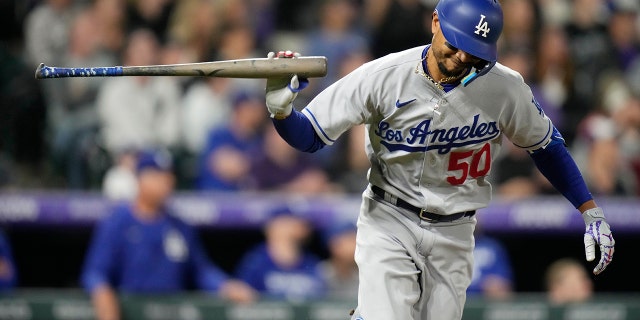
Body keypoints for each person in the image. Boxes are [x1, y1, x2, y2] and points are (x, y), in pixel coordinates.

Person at [262, 0, 615, 318]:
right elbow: (309, 137)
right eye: (456, 45)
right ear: (435, 22)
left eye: (475, 52)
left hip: (456, 229)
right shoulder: (383, 76)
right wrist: (282, 111)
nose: (462, 58)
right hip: (390, 217)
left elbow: (546, 146)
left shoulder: (505, 87)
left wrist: (589, 209)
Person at [81, 149, 256, 320]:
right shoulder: (118, 221)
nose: (166, 181)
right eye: (157, 175)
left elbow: (200, 270)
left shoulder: (179, 225)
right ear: (140, 178)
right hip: (131, 311)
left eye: (168, 175)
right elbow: (95, 272)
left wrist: (225, 286)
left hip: (172, 311)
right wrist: (102, 294)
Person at [235, 205, 325, 301]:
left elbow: (321, 298)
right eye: (290, 223)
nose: (302, 228)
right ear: (274, 226)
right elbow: (241, 294)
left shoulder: (311, 263)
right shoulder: (256, 261)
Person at [318, 221, 359, 300]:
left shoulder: (364, 274)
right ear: (334, 244)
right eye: (350, 240)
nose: (356, 245)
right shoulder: (320, 273)